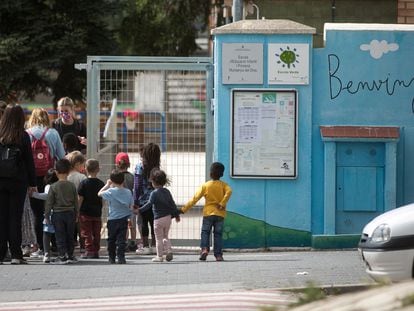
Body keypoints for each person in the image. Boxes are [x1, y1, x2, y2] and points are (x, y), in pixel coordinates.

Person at [0, 104, 37, 265]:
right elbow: (29, 161)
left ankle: (1, 255)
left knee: (1, 217)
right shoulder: (23, 136)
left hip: (0, 180)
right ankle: (16, 254)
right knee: (15, 217)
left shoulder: (0, 134)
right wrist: (32, 183)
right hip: (18, 181)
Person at [26, 108, 65, 257]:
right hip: (51, 176)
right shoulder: (53, 133)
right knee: (53, 210)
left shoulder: (27, 134)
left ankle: (41, 247)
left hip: (33, 177)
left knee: (37, 212)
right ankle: (55, 244)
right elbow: (61, 156)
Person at [180, 162, 232, 262]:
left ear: (210, 173)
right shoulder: (224, 185)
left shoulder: (206, 186)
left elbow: (194, 199)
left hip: (208, 214)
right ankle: (218, 255)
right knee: (218, 235)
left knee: (205, 232)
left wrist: (183, 209)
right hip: (220, 214)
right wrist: (222, 203)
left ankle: (204, 249)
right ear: (222, 174)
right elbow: (229, 191)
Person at [139, 169, 180, 262]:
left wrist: (139, 210)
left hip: (158, 219)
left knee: (158, 239)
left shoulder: (154, 193)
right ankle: (169, 250)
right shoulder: (167, 192)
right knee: (166, 236)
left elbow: (149, 204)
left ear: (153, 181)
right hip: (168, 218)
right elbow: (172, 204)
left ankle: (159, 256)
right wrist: (176, 214)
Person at [44, 158, 79, 264]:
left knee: (60, 235)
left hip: (58, 214)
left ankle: (62, 255)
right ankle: (71, 255)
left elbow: (49, 202)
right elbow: (75, 201)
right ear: (68, 171)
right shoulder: (72, 185)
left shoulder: (53, 187)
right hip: (70, 213)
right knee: (70, 235)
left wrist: (47, 215)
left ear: (56, 172)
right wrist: (77, 213)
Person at [98, 169, 135, 264]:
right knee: (121, 239)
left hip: (112, 220)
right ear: (123, 180)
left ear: (112, 181)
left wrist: (107, 184)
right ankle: (121, 257)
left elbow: (99, 193)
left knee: (111, 239)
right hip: (124, 219)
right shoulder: (128, 192)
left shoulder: (111, 191)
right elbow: (131, 206)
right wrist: (130, 216)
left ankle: (111, 257)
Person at [133, 143, 161, 255]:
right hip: (155, 200)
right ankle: (155, 245)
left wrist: (135, 201)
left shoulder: (140, 166)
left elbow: (137, 185)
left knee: (143, 222)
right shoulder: (157, 168)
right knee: (154, 222)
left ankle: (145, 246)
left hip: (142, 201)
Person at [78, 159, 105, 259]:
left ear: (85, 169)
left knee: (86, 232)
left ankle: (89, 250)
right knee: (96, 232)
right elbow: (102, 199)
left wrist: (77, 211)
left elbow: (80, 199)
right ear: (98, 169)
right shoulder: (101, 184)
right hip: (97, 212)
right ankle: (96, 250)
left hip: (85, 213)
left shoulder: (83, 183)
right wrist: (101, 208)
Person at [31, 168, 59, 263]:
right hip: (61, 212)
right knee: (59, 233)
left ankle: (46, 252)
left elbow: (46, 196)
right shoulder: (62, 185)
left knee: (47, 233)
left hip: (50, 213)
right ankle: (61, 251)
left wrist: (34, 194)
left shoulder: (48, 186)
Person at [115, 152, 140, 252]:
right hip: (131, 204)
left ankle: (124, 243)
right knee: (132, 224)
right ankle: (133, 243)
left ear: (117, 164)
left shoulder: (116, 177)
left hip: (120, 205)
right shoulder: (131, 177)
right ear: (128, 164)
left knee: (123, 225)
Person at [66, 150, 86, 251]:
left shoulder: (66, 176)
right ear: (78, 164)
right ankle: (83, 246)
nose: (84, 167)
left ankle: (69, 247)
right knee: (81, 228)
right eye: (83, 165)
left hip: (67, 205)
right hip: (80, 205)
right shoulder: (82, 177)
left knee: (69, 228)